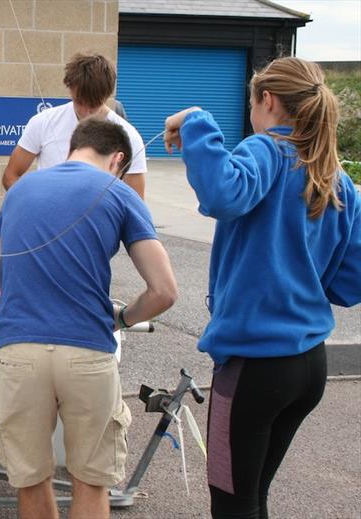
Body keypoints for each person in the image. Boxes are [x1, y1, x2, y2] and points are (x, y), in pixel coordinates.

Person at [164, 57, 360, 519]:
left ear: (266, 100)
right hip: (309, 366)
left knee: (232, 505)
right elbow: (349, 283)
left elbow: (220, 195)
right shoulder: (338, 179)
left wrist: (196, 118)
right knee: (250, 500)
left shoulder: (265, 150)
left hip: (254, 367)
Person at [0, 118, 178, 519]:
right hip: (86, 350)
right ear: (117, 159)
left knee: (31, 478)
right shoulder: (119, 192)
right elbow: (164, 291)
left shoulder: (19, 190)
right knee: (90, 480)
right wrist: (122, 319)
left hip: (19, 348)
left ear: (75, 147)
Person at [2, 53, 148, 198]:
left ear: (106, 95)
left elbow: (135, 201)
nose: (85, 112)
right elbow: (10, 176)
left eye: (93, 104)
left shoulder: (128, 137)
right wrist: (38, 205)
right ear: (70, 89)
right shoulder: (43, 122)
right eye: (79, 101)